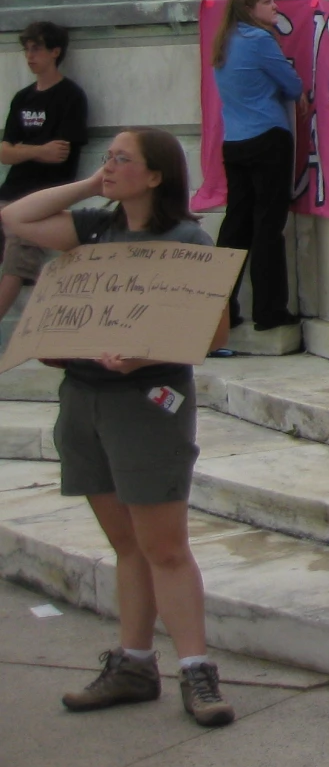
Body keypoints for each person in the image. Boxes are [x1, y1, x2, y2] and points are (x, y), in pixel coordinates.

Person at [1, 129, 237, 725]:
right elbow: (16, 218)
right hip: (84, 398)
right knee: (126, 544)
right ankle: (133, 663)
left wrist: (146, 351)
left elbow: (214, 335)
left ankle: (196, 672)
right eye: (105, 158)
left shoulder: (186, 239)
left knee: (164, 546)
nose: (109, 166)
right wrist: (91, 183)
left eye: (120, 160)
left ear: (155, 174)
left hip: (146, 401)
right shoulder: (96, 227)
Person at [208, 0, 305, 331]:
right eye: (267, 1)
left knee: (235, 225)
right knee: (268, 226)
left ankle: (221, 309)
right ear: (250, 9)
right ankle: (269, 310)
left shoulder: (224, 41)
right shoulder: (259, 40)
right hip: (267, 138)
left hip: (234, 142)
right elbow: (293, 86)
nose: (275, 6)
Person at [0, 21, 91, 322]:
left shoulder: (70, 96)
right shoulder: (22, 98)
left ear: (55, 51)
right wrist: (37, 150)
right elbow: (4, 153)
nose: (30, 56)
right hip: (10, 192)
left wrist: (22, 151)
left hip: (45, 195)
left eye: (36, 49)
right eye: (26, 49)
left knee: (18, 255)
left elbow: (60, 155)